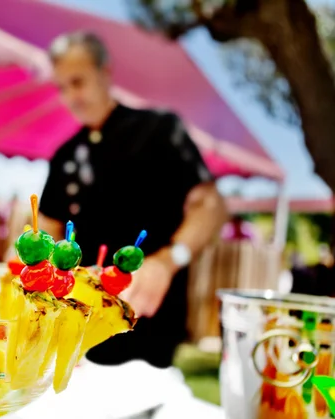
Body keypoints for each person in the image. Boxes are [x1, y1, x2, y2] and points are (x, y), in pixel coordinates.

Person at [39, 32, 229, 368]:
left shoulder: (159, 129)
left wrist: (168, 260)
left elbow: (211, 206)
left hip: (151, 319)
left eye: (78, 82)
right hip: (81, 322)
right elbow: (48, 228)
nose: (71, 97)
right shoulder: (64, 155)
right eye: (62, 86)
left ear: (105, 73)